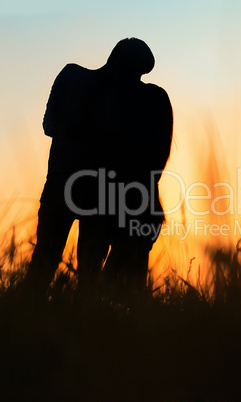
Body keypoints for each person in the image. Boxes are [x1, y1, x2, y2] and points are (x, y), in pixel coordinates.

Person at [25, 38, 173, 295]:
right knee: (46, 258)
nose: (135, 79)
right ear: (117, 60)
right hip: (64, 184)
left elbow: (150, 155)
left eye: (141, 75)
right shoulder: (74, 77)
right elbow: (50, 124)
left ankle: (81, 324)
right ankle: (23, 319)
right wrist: (97, 134)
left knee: (90, 270)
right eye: (134, 70)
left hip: (101, 192)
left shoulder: (137, 98)